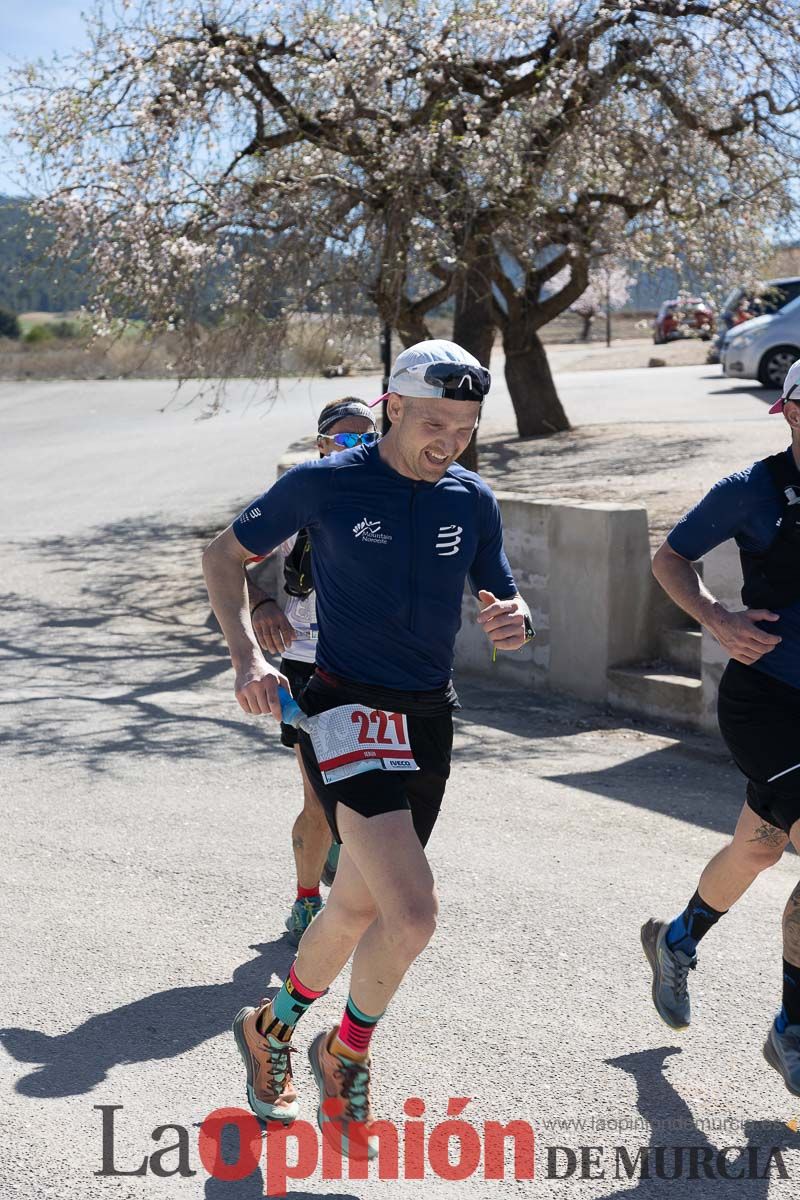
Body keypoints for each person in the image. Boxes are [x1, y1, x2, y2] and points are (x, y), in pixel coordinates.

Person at [202, 339, 534, 1154]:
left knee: (355, 905)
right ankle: (345, 1054)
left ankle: (268, 1029)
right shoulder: (327, 482)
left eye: (464, 427)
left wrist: (513, 618)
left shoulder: (472, 498)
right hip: (343, 706)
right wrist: (246, 654)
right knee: (412, 913)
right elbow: (223, 554)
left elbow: (500, 586)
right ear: (392, 407)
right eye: (432, 422)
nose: (447, 441)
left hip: (428, 714)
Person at [642, 357, 800, 1097]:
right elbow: (671, 557)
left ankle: (676, 942)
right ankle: (792, 1031)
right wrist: (715, 618)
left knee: (759, 848)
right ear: (792, 413)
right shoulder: (751, 490)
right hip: (768, 700)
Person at [245, 398, 378, 944]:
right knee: (318, 799)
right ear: (323, 444)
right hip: (309, 667)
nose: (359, 450)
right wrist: (261, 605)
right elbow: (228, 562)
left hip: (377, 666)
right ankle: (306, 904)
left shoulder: (392, 496)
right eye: (346, 441)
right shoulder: (303, 500)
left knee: (373, 796)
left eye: (369, 439)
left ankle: (356, 879)